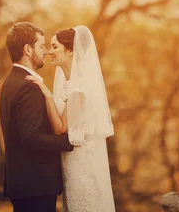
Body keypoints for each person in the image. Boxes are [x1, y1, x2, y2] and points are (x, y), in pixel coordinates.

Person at [26, 25, 116, 212]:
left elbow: (61, 128)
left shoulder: (78, 89)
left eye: (55, 47)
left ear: (71, 52)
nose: (50, 52)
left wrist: (47, 95)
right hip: (69, 168)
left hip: (80, 170)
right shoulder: (68, 85)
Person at [0, 22, 75, 212]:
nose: (46, 52)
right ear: (27, 49)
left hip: (26, 185)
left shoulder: (11, 82)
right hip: (36, 186)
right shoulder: (27, 86)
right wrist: (67, 142)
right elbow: (32, 138)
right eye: (41, 46)